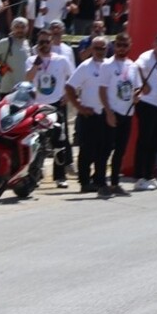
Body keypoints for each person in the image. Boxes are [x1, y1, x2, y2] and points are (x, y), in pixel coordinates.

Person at [24, 28, 75, 187]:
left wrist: (68, 95)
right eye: (41, 42)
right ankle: (35, 175)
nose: (44, 45)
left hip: (56, 104)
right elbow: (27, 79)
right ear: (37, 44)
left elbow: (72, 79)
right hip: (37, 106)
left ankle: (60, 176)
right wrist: (36, 64)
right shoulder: (31, 60)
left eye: (47, 42)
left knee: (59, 141)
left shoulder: (61, 60)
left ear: (52, 42)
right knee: (36, 141)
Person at [65, 35, 108, 194]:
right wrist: (79, 107)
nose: (99, 51)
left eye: (102, 48)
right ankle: (84, 181)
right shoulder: (85, 67)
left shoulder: (109, 65)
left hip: (106, 114)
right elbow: (69, 88)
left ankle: (99, 180)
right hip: (89, 115)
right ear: (91, 49)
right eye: (96, 48)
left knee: (104, 149)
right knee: (87, 151)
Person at [98, 33, 137, 196]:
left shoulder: (132, 65)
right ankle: (101, 183)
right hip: (112, 112)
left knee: (120, 151)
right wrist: (108, 112)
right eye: (119, 45)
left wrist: (137, 97)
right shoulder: (107, 65)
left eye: (125, 45)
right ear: (114, 46)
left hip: (127, 113)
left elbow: (136, 89)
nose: (121, 48)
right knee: (106, 149)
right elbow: (102, 91)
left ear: (130, 46)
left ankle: (115, 182)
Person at [133, 32, 157, 191]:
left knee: (156, 141)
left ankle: (150, 175)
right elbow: (135, 67)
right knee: (145, 140)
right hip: (147, 103)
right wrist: (142, 84)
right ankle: (140, 177)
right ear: (154, 44)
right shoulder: (146, 57)